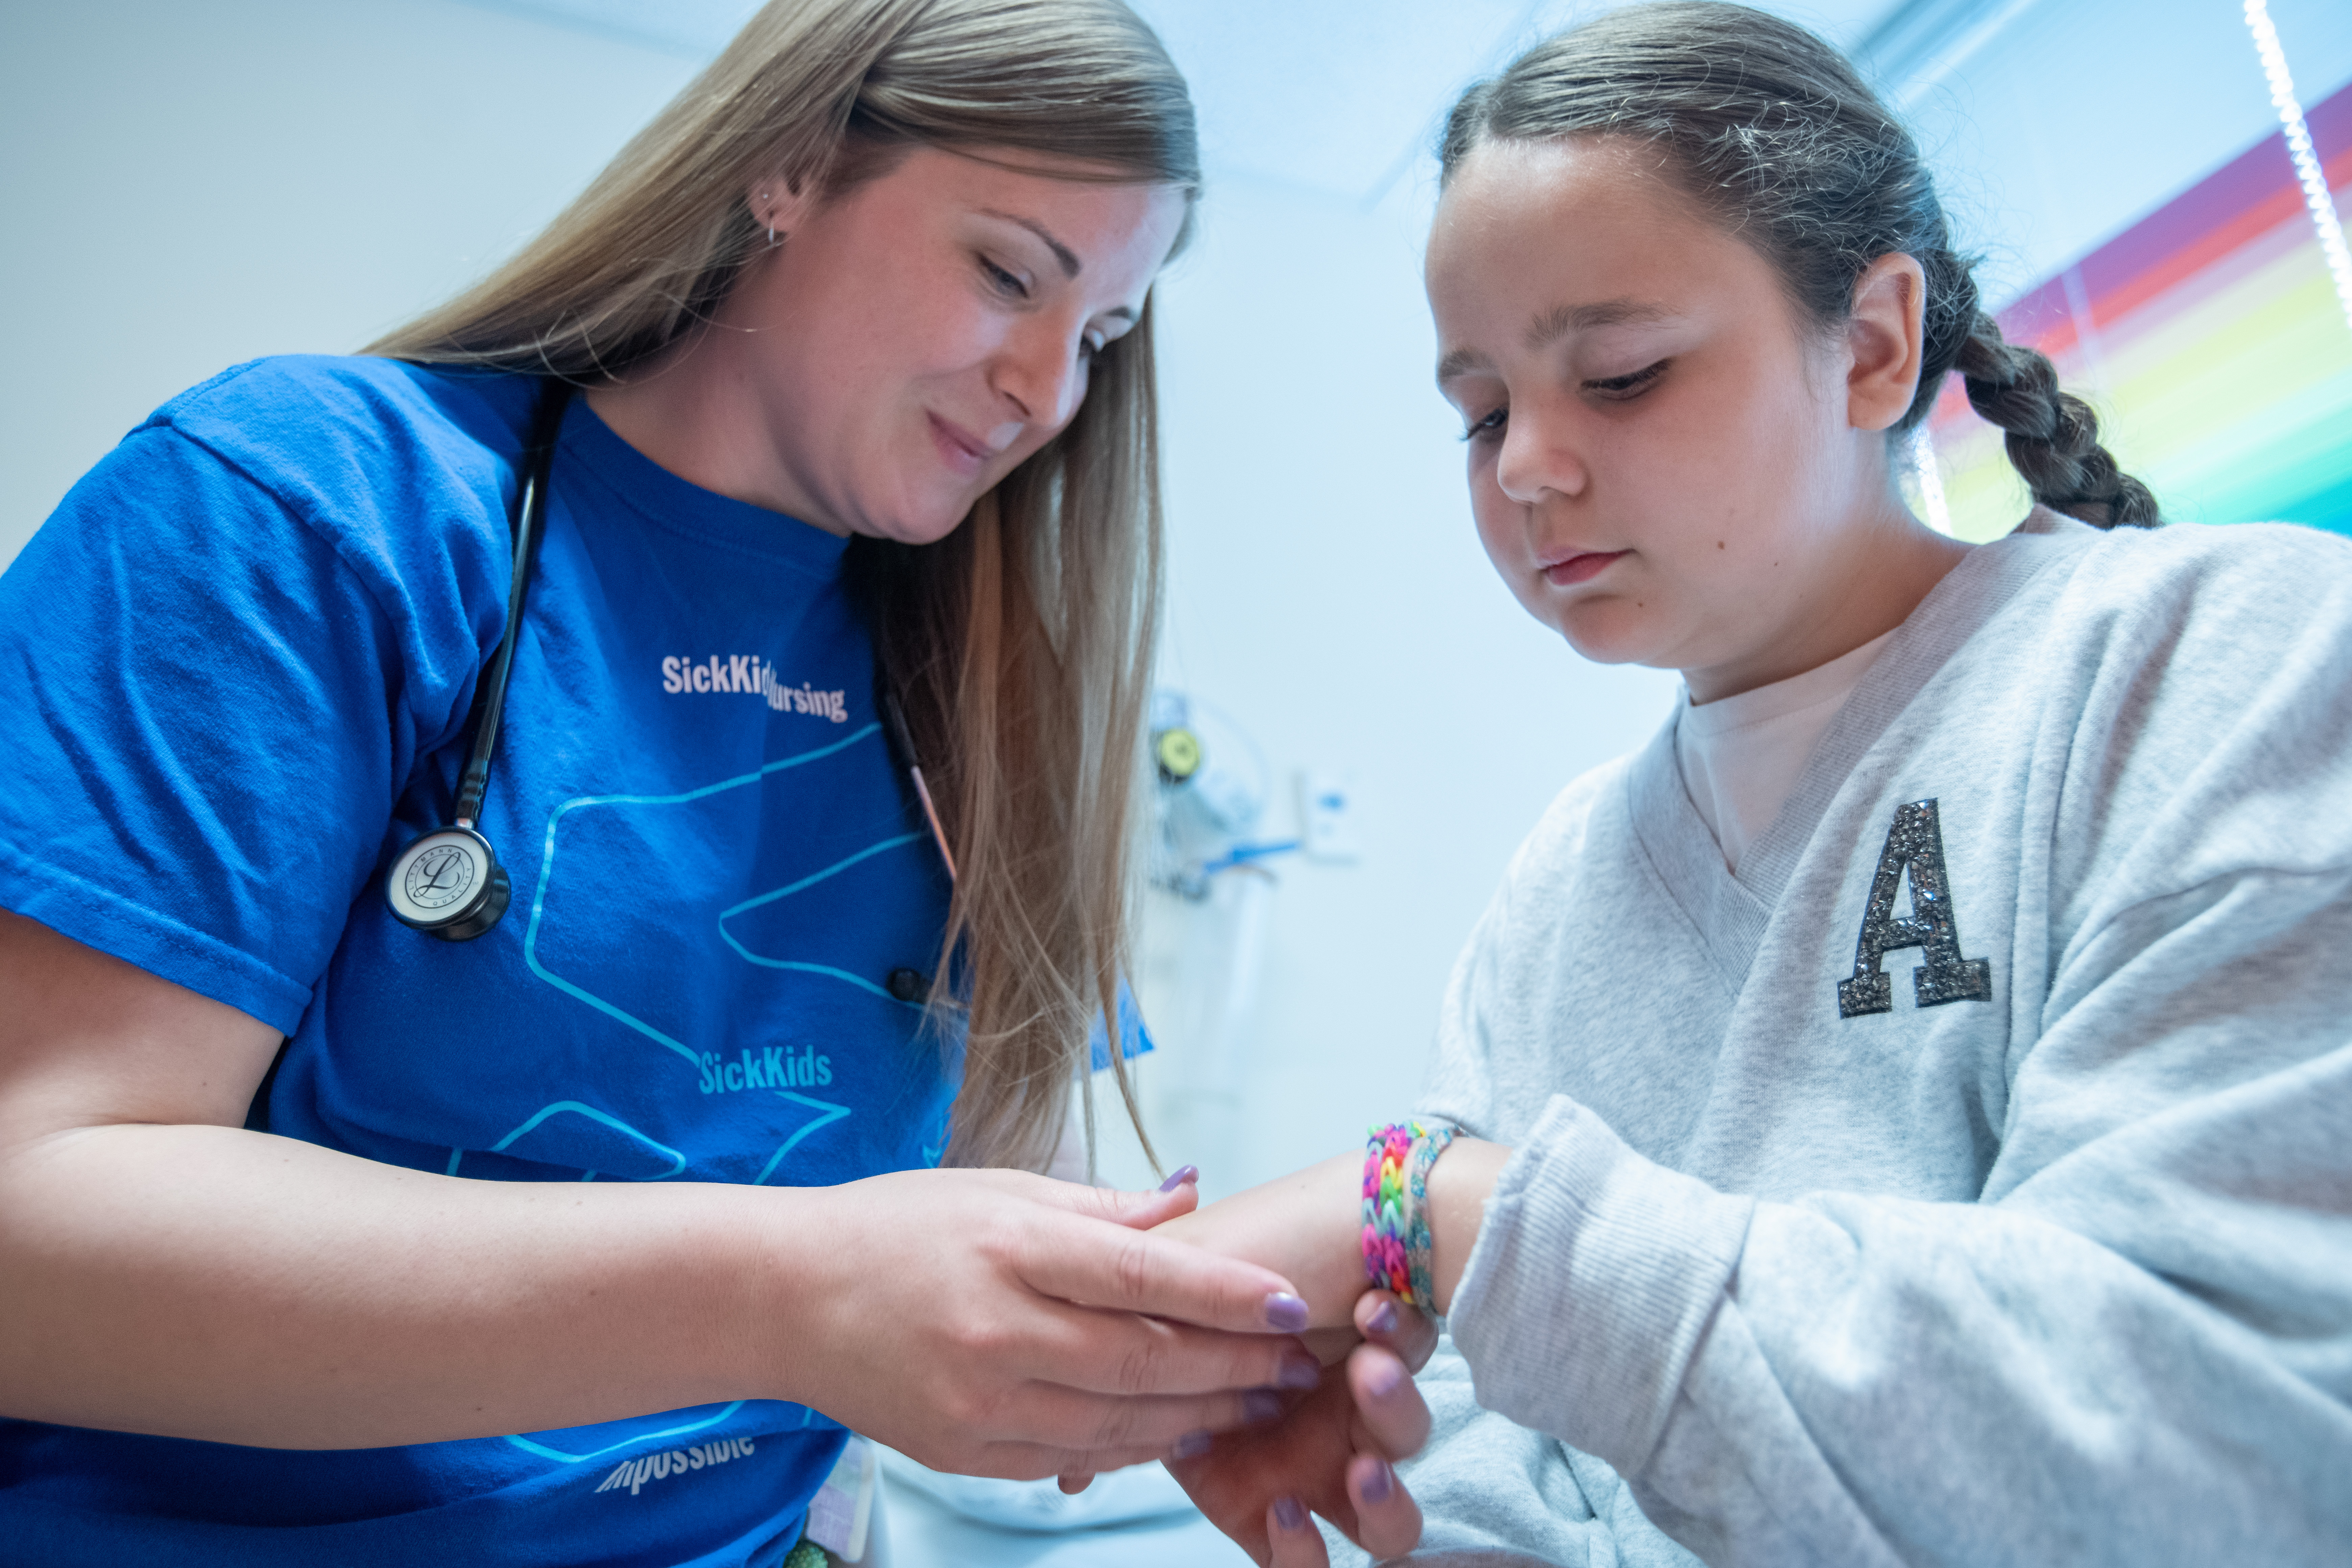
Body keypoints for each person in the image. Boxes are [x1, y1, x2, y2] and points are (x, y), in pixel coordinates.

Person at [0, 2, 1398, 1562]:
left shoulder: (988, 703)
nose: (1044, 392)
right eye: (1009, 273)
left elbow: (1016, 1234)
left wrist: (1223, 1364)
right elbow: (32, 1231)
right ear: (789, 169)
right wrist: (788, 1295)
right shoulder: (310, 511)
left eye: (1102, 337)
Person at [1159, 5, 2352, 1565]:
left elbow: (2217, 1445)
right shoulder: (1562, 887)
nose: (1527, 465)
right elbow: (1482, 1432)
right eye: (1483, 410)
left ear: (1870, 345)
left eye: (1624, 375)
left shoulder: (2218, 661)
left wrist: (1455, 1210)